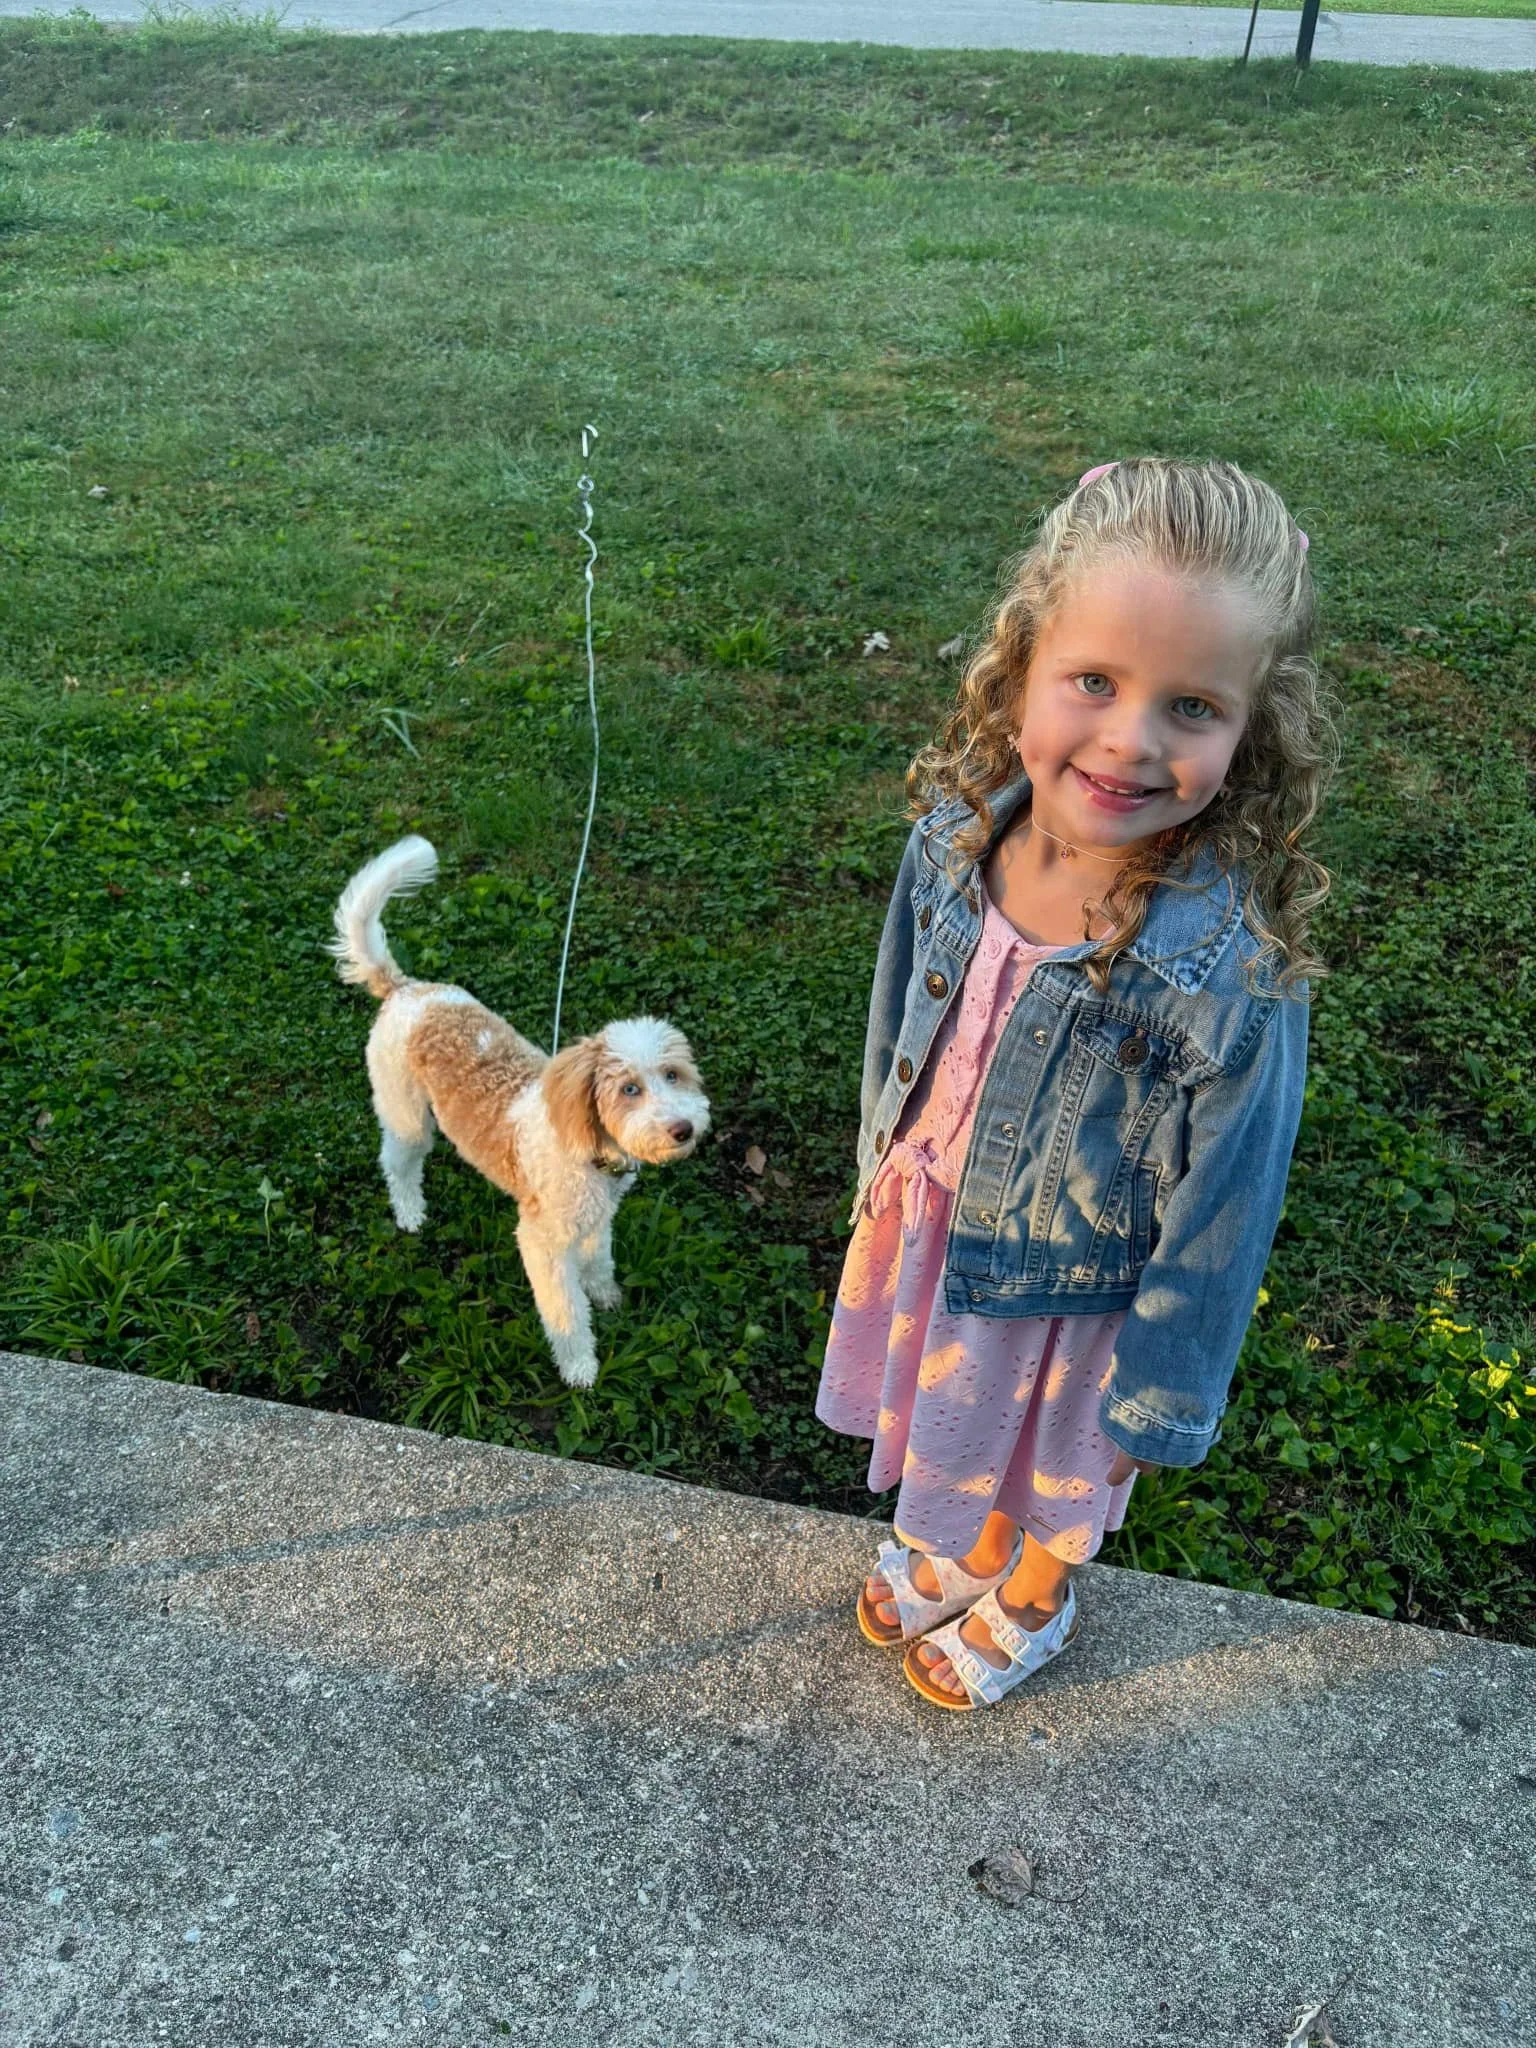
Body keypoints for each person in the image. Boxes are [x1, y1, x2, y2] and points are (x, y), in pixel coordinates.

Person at [816, 458, 1335, 1712]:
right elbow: (901, 1013)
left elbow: (1230, 1206)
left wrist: (1166, 1383)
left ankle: (1033, 1588)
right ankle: (967, 1547)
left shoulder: (1230, 976)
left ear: (1249, 728)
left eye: (1192, 707)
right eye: (1094, 681)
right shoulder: (951, 846)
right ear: (1022, 667)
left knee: (1051, 1449)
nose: (1129, 740)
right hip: (947, 1222)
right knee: (961, 1425)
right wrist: (882, 1168)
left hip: (1083, 1288)